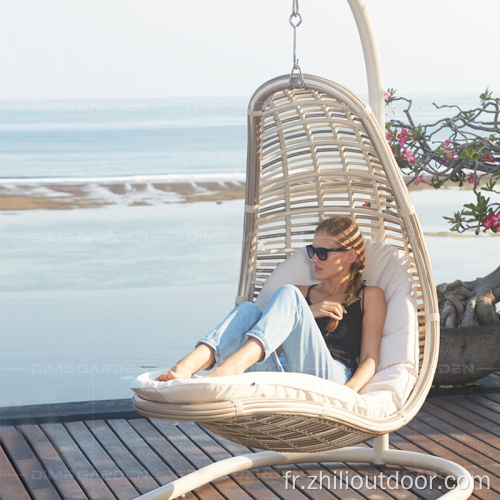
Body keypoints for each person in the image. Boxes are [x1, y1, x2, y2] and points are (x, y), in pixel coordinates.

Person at [156, 216, 386, 393]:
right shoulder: (302, 294)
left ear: (350, 257)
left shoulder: (369, 296)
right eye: (312, 251)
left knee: (288, 293)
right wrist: (307, 313)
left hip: (329, 375)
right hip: (285, 373)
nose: (314, 258)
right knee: (248, 310)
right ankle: (185, 367)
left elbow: (368, 359)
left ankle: (231, 368)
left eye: (323, 253)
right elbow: (269, 347)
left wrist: (347, 394)